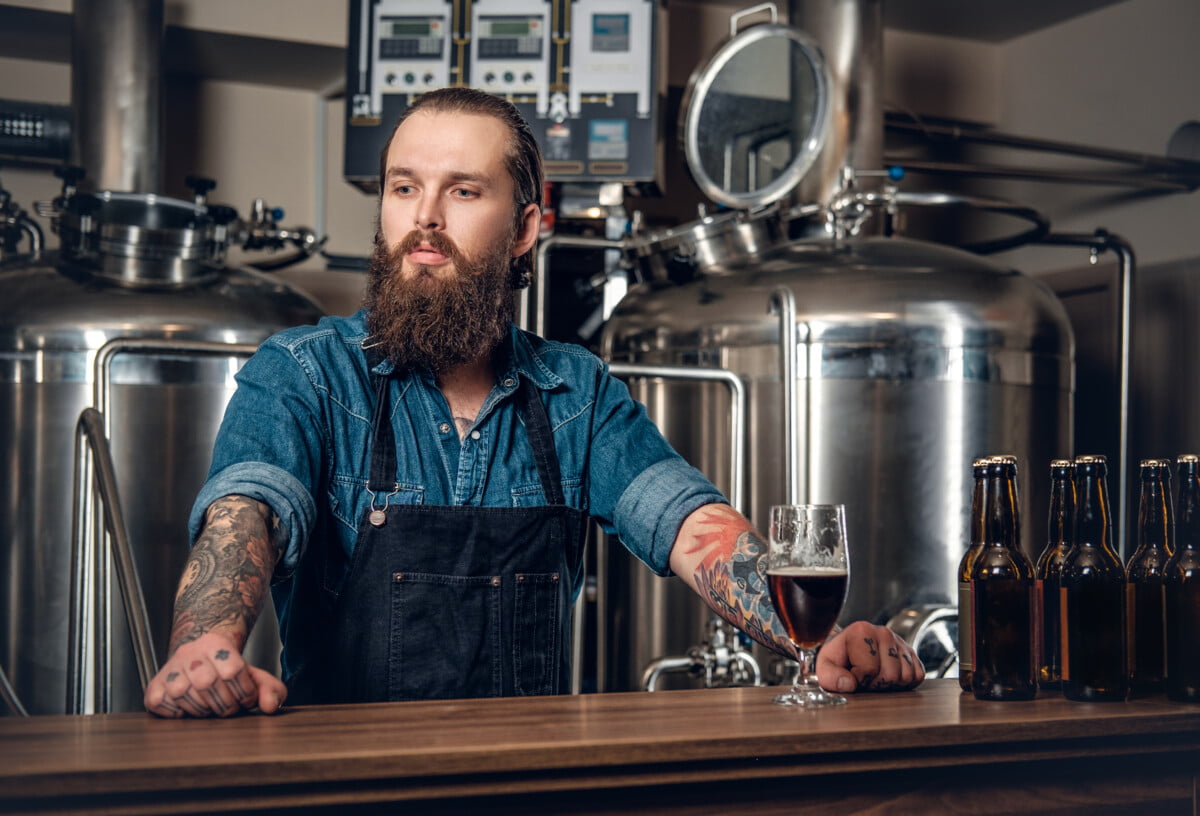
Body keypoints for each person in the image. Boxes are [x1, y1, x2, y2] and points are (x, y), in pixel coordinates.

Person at [144, 88, 923, 718]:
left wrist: (807, 639)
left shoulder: (573, 392)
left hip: (526, 789)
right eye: (404, 187)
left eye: (463, 191)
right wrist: (205, 646)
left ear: (524, 229)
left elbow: (692, 526)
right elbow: (248, 512)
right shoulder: (305, 374)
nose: (425, 217)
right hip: (347, 794)